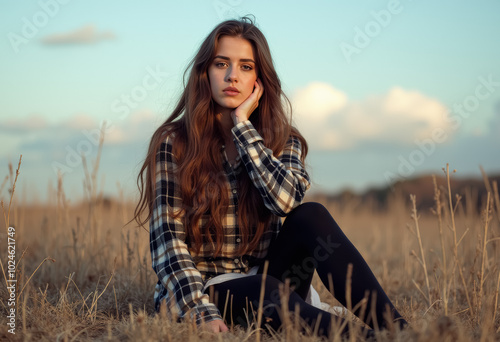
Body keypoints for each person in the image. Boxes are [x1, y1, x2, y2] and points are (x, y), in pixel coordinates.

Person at [134, 16, 408, 338]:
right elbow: (169, 244)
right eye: (222, 63)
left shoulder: (283, 139)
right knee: (263, 290)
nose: (232, 76)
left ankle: (401, 331)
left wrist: (243, 128)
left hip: (271, 279)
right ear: (205, 73)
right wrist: (198, 309)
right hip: (209, 290)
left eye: (246, 67)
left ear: (259, 80)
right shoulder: (173, 142)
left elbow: (285, 202)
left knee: (311, 215)